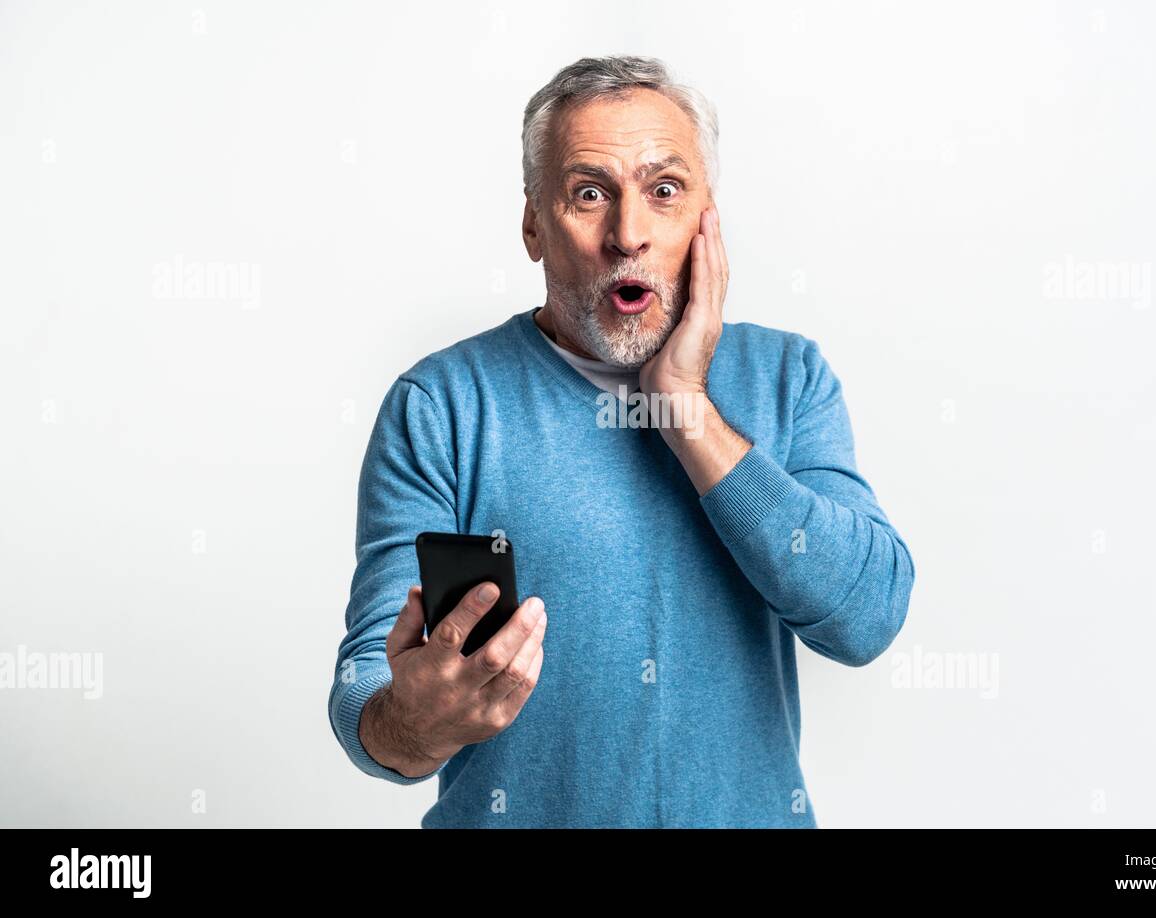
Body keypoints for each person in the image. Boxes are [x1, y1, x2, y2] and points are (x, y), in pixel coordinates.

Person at [327, 54, 916, 828]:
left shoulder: (789, 378)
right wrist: (412, 721)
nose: (628, 234)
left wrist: (685, 408)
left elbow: (866, 617)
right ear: (534, 222)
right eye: (588, 194)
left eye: (663, 191)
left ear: (708, 218)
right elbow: (370, 688)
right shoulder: (441, 405)